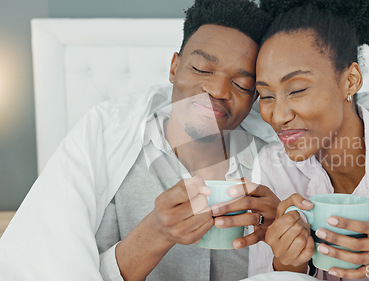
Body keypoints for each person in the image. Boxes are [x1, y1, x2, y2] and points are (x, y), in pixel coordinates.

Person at [0, 0, 280, 280]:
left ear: (254, 97)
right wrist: (156, 233)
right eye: (203, 69)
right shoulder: (105, 138)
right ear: (174, 68)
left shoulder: (275, 166)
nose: (218, 90)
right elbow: (56, 266)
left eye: (241, 84)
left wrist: (279, 243)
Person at [250, 0, 369, 280]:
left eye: (296, 90)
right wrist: (288, 264)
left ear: (350, 81)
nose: (278, 116)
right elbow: (262, 275)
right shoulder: (272, 167)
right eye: (266, 96)